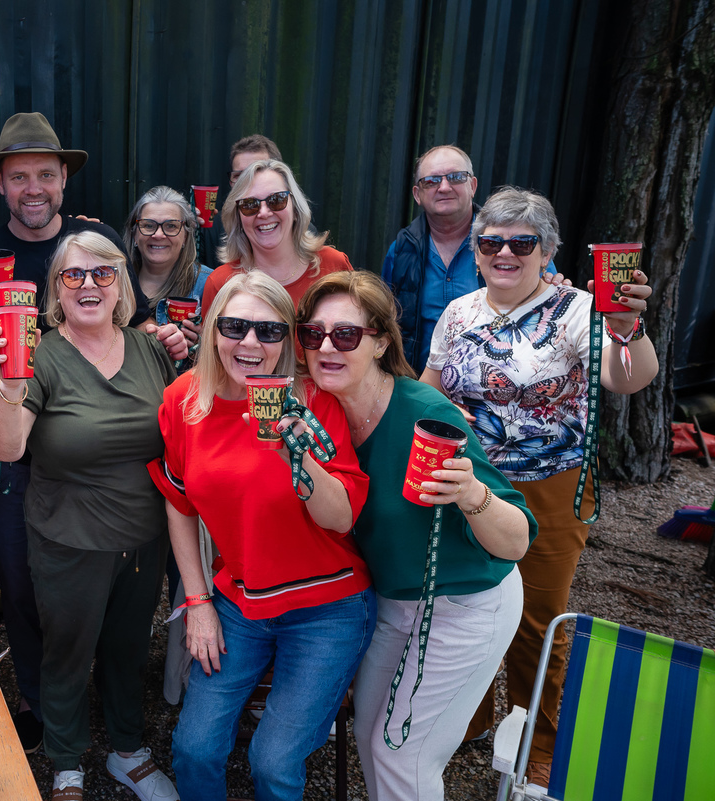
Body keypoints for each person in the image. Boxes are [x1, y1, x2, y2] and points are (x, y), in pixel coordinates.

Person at [0, 111, 186, 752]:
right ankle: (51, 729)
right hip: (36, 463)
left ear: (63, 181)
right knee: (34, 603)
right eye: (20, 175)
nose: (35, 187)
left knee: (122, 629)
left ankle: (120, 739)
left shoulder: (104, 258)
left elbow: (175, 418)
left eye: (47, 175)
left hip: (126, 502)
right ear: (1, 182)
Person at [423, 187, 657, 788]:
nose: (504, 251)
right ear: (475, 252)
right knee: (463, 605)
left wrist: (626, 328)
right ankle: (468, 718)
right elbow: (429, 385)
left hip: (547, 486)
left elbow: (626, 380)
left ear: (546, 250)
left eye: (521, 242)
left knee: (536, 617)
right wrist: (445, 413)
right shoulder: (460, 311)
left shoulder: (579, 310)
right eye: (491, 241)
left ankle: (539, 737)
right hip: (466, 480)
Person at [296, 269, 534, 801]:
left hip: (466, 602)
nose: (327, 346)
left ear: (381, 341)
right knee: (367, 733)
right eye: (313, 334)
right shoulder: (320, 413)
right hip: (394, 602)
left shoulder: (426, 414)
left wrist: (470, 492)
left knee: (404, 751)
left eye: (347, 335)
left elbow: (516, 541)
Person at [153, 271, 375, 801]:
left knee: (273, 764)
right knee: (194, 749)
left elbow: (341, 518)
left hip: (329, 605)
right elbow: (178, 502)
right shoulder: (186, 400)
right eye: (234, 327)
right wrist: (198, 601)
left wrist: (299, 459)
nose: (250, 343)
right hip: (241, 599)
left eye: (269, 332)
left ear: (287, 341)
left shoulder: (314, 401)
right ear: (211, 331)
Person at [0, 231, 178, 801]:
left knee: (128, 647)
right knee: (66, 651)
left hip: (143, 540)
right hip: (67, 538)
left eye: (102, 274)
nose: (88, 285)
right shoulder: (38, 354)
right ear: (55, 291)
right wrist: (10, 386)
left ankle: (127, 751)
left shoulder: (150, 351)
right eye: (73, 276)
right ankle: (66, 761)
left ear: (121, 285)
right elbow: (2, 448)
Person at [381, 145, 558, 373]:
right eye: (432, 181)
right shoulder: (401, 252)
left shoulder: (517, 246)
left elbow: (549, 309)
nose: (444, 187)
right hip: (420, 389)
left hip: (497, 389)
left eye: (455, 177)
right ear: (417, 194)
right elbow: (386, 324)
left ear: (472, 186)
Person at [200, 158, 353, 314]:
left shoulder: (334, 265)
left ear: (295, 209)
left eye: (277, 200)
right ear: (238, 218)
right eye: (249, 204)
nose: (264, 213)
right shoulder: (220, 283)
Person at [123, 185, 212, 367]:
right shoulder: (112, 281)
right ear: (134, 233)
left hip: (183, 392)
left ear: (186, 236)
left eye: (171, 226)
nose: (158, 234)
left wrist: (202, 347)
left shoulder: (208, 284)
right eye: (148, 225)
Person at [196, 134, 284, 268]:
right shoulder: (212, 228)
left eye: (256, 170)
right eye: (239, 176)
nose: (245, 181)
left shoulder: (297, 227)